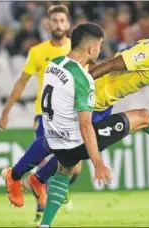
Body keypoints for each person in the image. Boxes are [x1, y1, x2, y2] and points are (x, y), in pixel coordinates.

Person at [2, 36, 149, 214]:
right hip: (91, 98)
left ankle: (37, 179)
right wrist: (82, 84)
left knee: (74, 151)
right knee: (57, 142)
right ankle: (16, 175)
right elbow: (112, 64)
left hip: (104, 104)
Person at [0, 4, 79, 224]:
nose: (59, 24)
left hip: (71, 115)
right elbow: (22, 82)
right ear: (48, 23)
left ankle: (57, 186)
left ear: (68, 24)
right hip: (44, 114)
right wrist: (6, 112)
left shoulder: (77, 48)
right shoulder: (38, 51)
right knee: (42, 162)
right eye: (55, 21)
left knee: (75, 165)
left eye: (62, 21)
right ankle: (40, 211)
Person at [37, 22, 108, 227]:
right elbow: (85, 126)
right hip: (68, 134)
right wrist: (98, 163)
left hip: (51, 130)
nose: (100, 50)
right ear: (91, 48)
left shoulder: (54, 63)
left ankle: (45, 222)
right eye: (99, 45)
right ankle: (36, 182)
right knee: (134, 120)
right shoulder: (83, 79)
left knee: (70, 170)